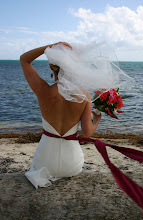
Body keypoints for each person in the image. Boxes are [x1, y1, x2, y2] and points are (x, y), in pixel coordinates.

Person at [20, 42, 101, 189]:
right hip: (71, 165)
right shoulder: (84, 95)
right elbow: (87, 133)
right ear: (73, 67)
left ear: (51, 67)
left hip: (44, 163)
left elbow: (24, 59)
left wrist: (51, 47)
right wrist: (96, 120)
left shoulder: (42, 90)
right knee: (73, 164)